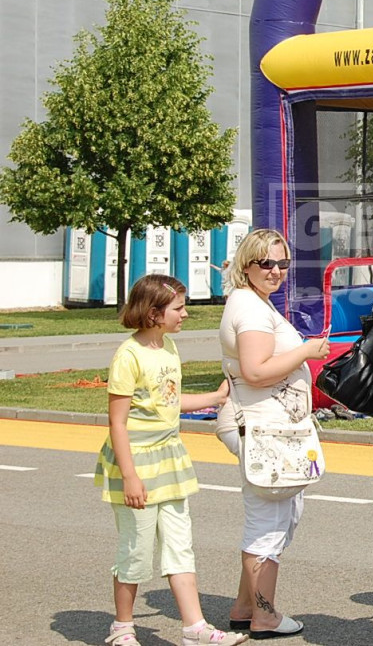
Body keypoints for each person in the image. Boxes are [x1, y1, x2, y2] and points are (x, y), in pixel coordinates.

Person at [94, 274, 248, 646]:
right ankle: (122, 627)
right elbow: (117, 422)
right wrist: (130, 476)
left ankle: (195, 628)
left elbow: (169, 402)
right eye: (178, 308)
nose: (185, 314)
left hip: (170, 460)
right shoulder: (129, 356)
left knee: (180, 546)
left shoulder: (168, 348)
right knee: (136, 549)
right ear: (153, 313)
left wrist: (215, 398)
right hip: (136, 464)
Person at [214, 229, 329, 639]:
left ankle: (246, 607)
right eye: (266, 263)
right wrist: (306, 351)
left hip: (271, 427)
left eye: (282, 263)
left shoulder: (252, 301)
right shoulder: (250, 308)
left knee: (281, 515)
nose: (276, 271)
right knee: (269, 522)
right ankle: (264, 615)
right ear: (246, 265)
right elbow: (256, 370)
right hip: (263, 428)